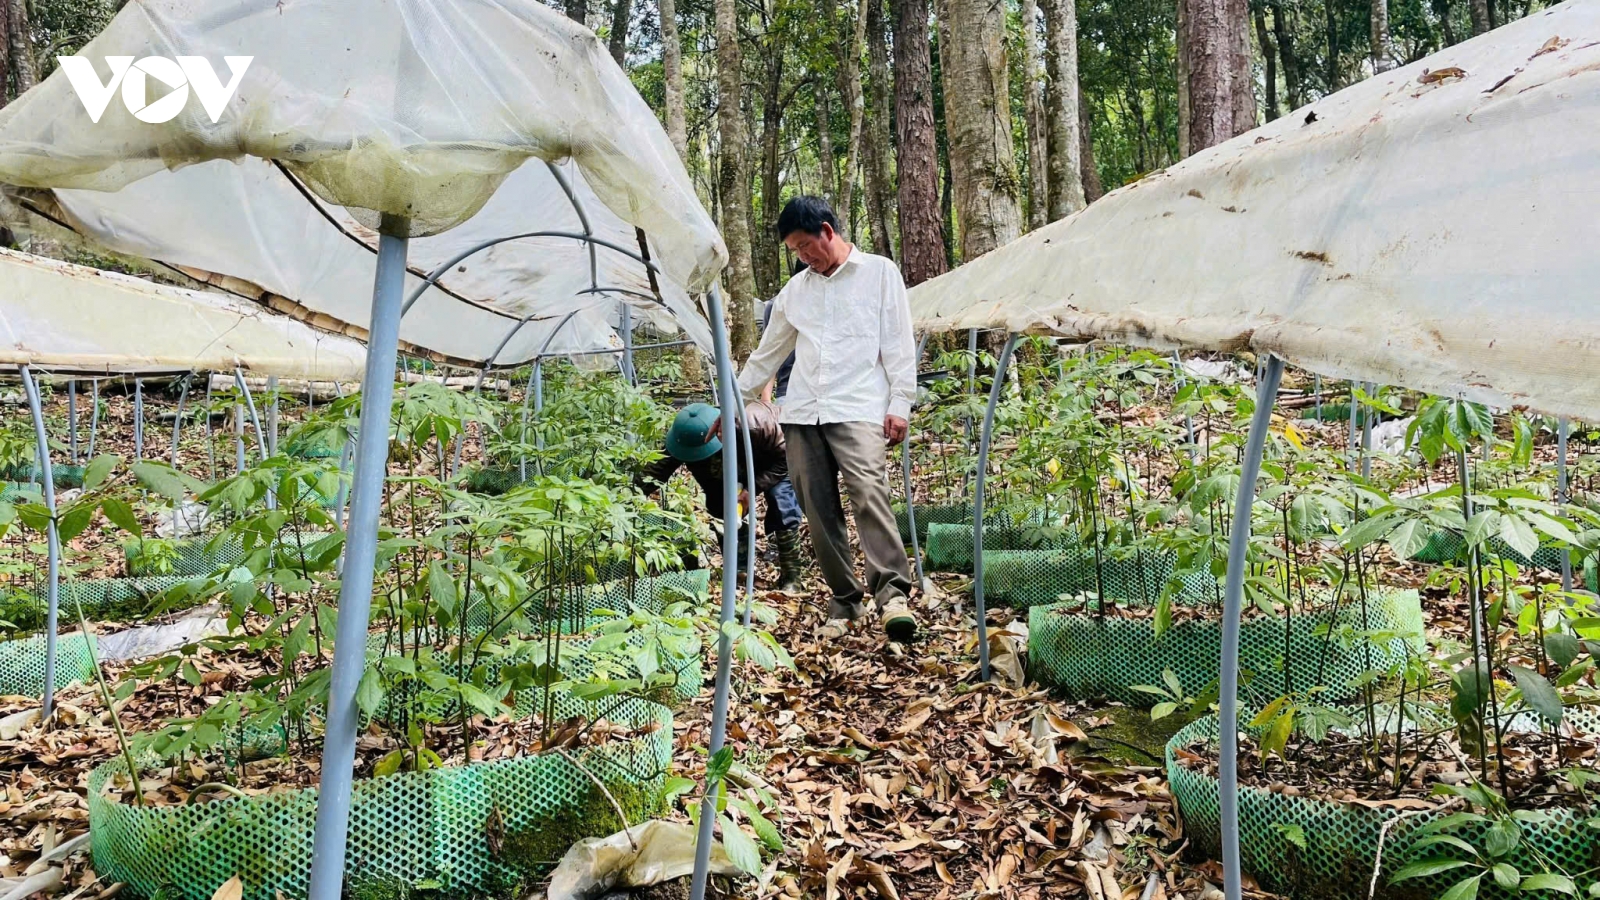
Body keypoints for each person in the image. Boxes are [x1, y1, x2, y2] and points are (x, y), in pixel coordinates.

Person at [736, 196, 918, 642]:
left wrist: (900, 403)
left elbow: (898, 341)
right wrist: (734, 400)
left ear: (827, 232)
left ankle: (892, 594)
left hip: (858, 405)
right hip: (801, 413)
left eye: (804, 247)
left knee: (869, 491)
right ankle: (845, 602)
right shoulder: (795, 292)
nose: (802, 257)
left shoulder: (879, 273)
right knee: (816, 508)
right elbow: (769, 353)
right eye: (795, 251)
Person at [636, 401, 807, 593]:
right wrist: (629, 496)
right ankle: (738, 569)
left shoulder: (754, 424)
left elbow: (786, 457)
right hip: (731, 466)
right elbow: (655, 471)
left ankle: (792, 577)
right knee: (721, 506)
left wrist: (753, 488)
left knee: (782, 504)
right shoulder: (685, 438)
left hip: (774, 460)